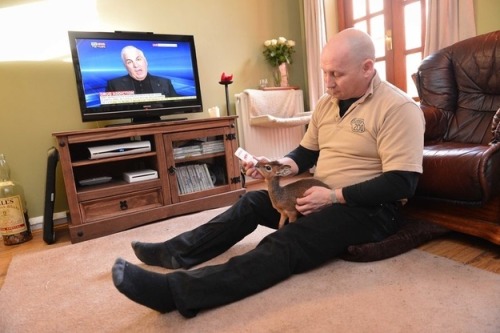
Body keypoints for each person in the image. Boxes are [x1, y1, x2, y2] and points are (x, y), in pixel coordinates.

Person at [111, 28, 425, 318]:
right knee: (250, 203)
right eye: (325, 73)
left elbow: (402, 182)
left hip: (369, 210)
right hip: (316, 195)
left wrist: (333, 197)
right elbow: (305, 153)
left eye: (336, 74)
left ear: (368, 67)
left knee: (288, 240)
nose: (328, 83)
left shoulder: (398, 109)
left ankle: (177, 293)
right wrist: (276, 168)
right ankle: (176, 252)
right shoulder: (327, 103)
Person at [106, 45, 179, 96]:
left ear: (146, 61)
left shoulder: (165, 82)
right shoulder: (114, 85)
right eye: (129, 62)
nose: (136, 65)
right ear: (125, 67)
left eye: (138, 59)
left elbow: (177, 106)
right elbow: (107, 110)